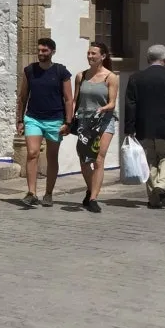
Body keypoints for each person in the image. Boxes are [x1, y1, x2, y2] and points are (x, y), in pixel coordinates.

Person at [124, 44, 165, 208]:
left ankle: (154, 198)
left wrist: (129, 128)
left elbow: (130, 105)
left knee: (149, 161)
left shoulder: (136, 78)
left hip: (144, 127)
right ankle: (162, 186)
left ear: (148, 59)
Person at [15, 37, 73, 207]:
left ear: (52, 52)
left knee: (51, 157)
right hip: (33, 118)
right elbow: (23, 97)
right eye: (39, 50)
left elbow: (68, 99)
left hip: (55, 119)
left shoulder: (61, 71)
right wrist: (20, 119)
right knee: (32, 153)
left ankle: (48, 193)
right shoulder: (30, 70)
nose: (40, 53)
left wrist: (68, 122)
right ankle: (31, 193)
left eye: (44, 50)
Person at [72, 42, 118, 213]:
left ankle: (93, 198)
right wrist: (69, 118)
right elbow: (75, 100)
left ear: (103, 56)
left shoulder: (110, 77)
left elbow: (112, 102)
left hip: (104, 121)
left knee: (98, 159)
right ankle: (91, 189)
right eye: (89, 53)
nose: (90, 56)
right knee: (84, 160)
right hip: (84, 122)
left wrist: (103, 108)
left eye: (94, 53)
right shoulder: (81, 76)